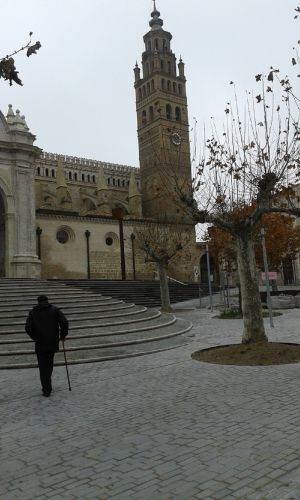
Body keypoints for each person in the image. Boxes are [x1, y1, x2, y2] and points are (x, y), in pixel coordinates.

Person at [25, 295, 69, 397]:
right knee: (49, 364)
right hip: (52, 342)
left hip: (40, 343)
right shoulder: (54, 310)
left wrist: (35, 337)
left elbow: (27, 328)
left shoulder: (33, 312)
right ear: (47, 301)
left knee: (42, 366)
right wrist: (62, 335)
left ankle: (46, 389)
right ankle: (47, 386)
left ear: (38, 302)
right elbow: (64, 322)